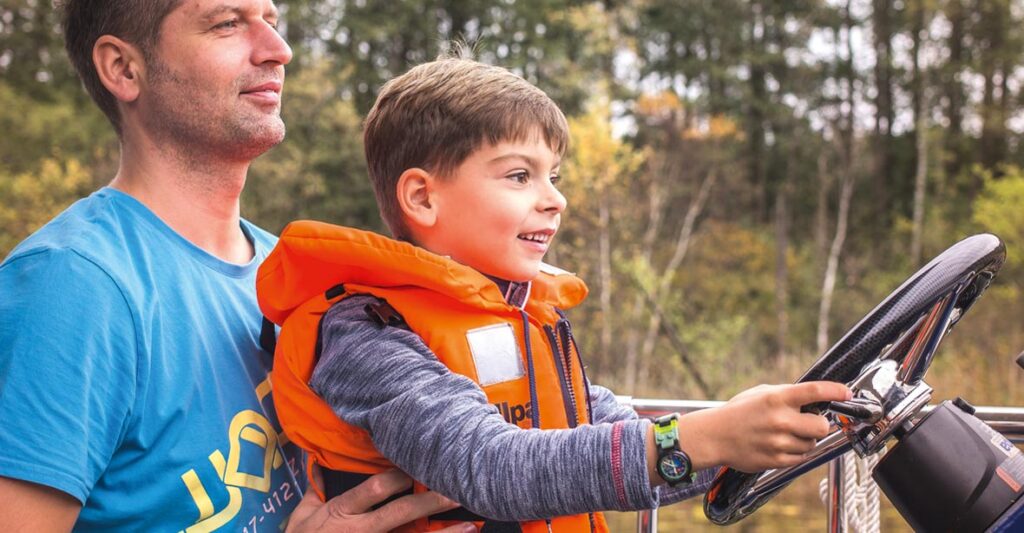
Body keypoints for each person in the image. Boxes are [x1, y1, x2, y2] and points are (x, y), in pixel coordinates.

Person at [256, 58, 852, 532]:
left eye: (554, 176)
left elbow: (629, 448)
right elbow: (492, 468)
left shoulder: (523, 321)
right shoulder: (366, 333)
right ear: (422, 198)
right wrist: (704, 437)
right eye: (520, 175)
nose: (555, 199)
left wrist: (753, 432)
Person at [0, 0, 473, 531]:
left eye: (270, 21)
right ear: (123, 68)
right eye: (227, 23)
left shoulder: (290, 275)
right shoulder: (71, 286)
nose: (279, 50)